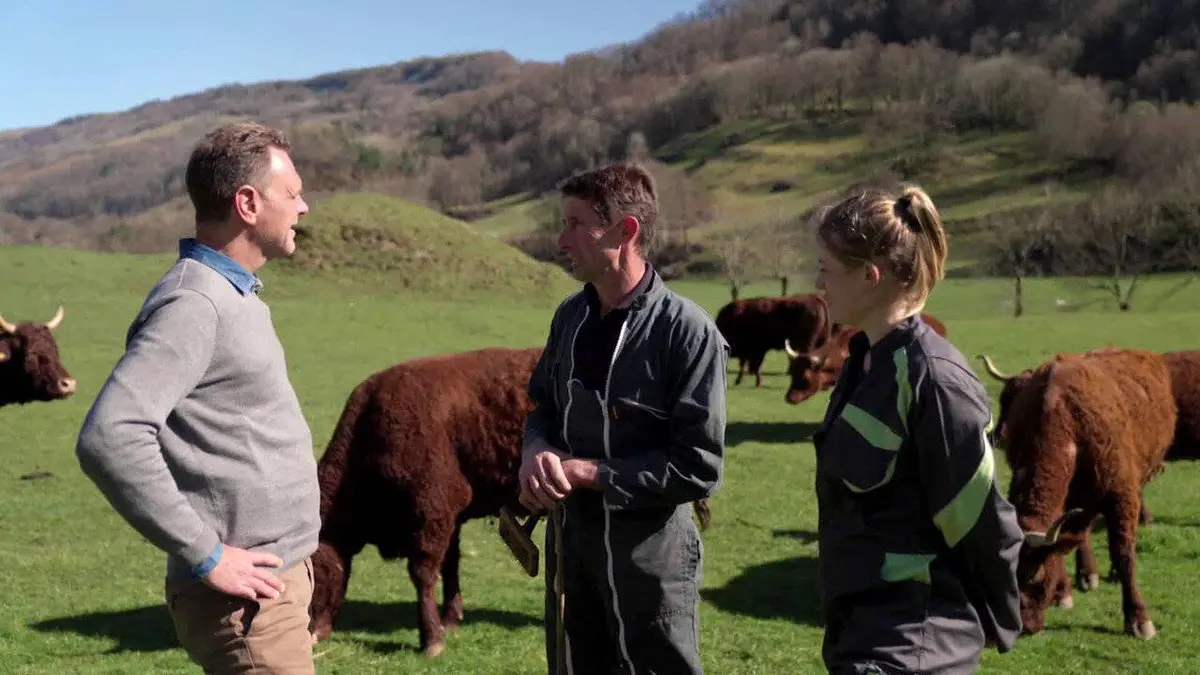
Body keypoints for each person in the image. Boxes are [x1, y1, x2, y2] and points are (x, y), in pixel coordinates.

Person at [75, 122, 321, 674]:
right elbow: (109, 435)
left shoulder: (235, 295)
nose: (303, 207)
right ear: (248, 203)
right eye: (293, 193)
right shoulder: (194, 304)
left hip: (272, 589)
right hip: (246, 607)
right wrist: (205, 554)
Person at [518, 161, 729, 675]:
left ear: (625, 231)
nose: (561, 240)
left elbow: (699, 468)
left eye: (574, 224)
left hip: (651, 564)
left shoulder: (688, 333)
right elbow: (542, 408)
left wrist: (589, 473)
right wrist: (535, 452)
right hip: (571, 554)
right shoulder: (570, 317)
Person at [808, 184, 1025, 674]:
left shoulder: (936, 381)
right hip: (861, 632)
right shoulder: (865, 359)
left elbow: (981, 521)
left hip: (914, 646)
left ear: (870, 276)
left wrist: (996, 618)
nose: (818, 286)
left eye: (826, 271)